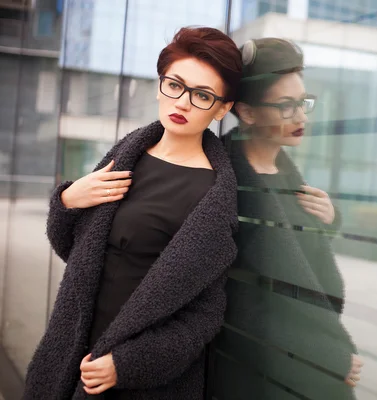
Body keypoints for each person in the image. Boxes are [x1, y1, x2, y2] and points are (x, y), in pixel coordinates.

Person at [24, 27, 241, 400]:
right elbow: (74, 253)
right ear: (160, 86)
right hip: (68, 352)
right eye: (175, 85)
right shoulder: (125, 157)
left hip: (141, 381)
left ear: (222, 108)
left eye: (202, 95)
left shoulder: (213, 199)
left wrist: (127, 364)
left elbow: (203, 318)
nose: (183, 102)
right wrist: (67, 201)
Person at [217, 38, 362, 400]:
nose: (301, 117)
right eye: (286, 106)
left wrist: (327, 221)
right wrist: (326, 357)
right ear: (248, 112)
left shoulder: (285, 175)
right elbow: (238, 302)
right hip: (258, 375)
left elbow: (295, 265)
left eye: (303, 103)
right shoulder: (225, 184)